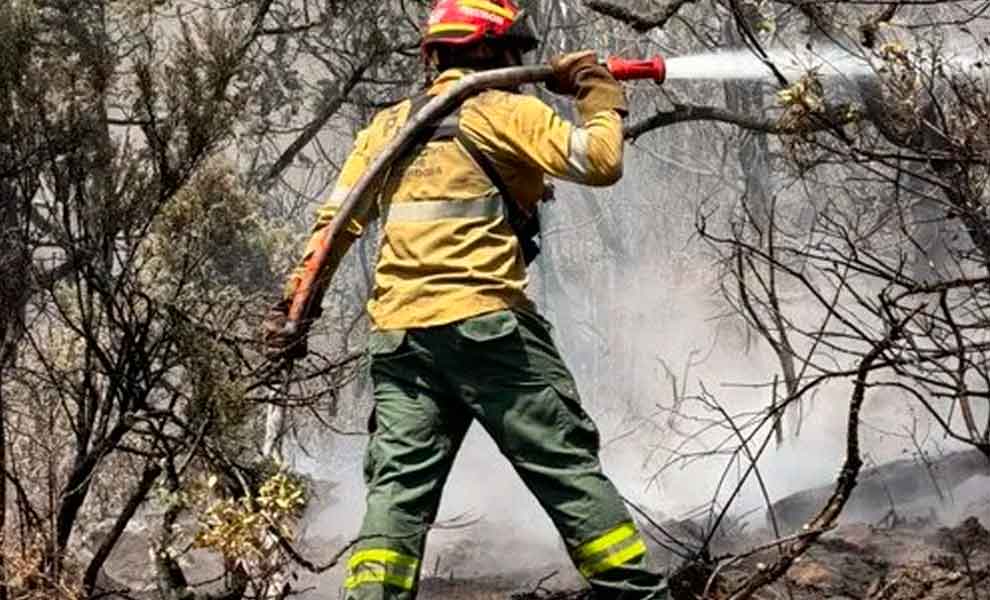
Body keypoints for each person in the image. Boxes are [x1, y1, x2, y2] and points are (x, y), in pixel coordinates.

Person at [263, 1, 670, 598]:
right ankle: (636, 592)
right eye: (511, 49)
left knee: (397, 495)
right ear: (486, 50)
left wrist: (296, 308)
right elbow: (600, 161)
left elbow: (335, 225)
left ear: (435, 54)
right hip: (489, 332)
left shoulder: (388, 128)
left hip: (400, 339)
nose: (517, 61)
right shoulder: (504, 110)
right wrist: (596, 91)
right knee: (564, 467)